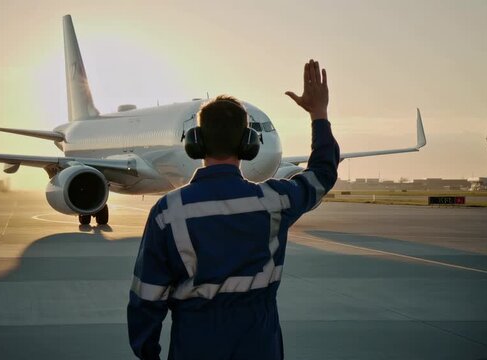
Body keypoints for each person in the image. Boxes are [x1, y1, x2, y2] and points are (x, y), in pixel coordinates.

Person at [127, 59, 339, 360]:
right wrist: (319, 114)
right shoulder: (274, 201)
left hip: (194, 348)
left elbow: (146, 298)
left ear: (195, 142)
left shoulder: (168, 213)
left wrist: (148, 353)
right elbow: (322, 174)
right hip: (260, 348)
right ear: (248, 145)